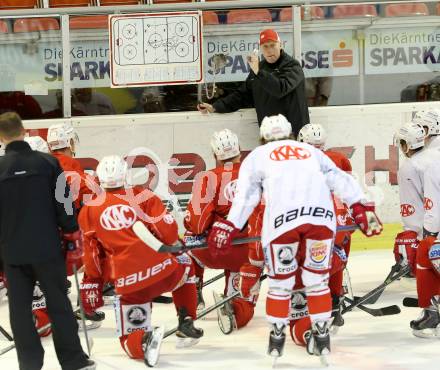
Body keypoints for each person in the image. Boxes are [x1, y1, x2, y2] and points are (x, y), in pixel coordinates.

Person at [207, 114, 382, 361]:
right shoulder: (312, 152)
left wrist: (230, 225)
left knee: (282, 282)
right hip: (322, 225)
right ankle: (319, 325)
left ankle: (277, 331)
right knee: (314, 280)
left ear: (262, 137)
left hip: (283, 228)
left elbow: (247, 199)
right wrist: (361, 207)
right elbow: (341, 180)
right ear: (290, 133)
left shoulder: (257, 157)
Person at [78, 155, 203, 363]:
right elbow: (169, 233)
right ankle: (186, 318)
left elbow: (91, 258)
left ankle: (143, 339)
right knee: (185, 262)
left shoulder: (88, 211)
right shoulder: (142, 195)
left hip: (130, 285)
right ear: (125, 175)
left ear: (99, 179)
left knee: (130, 343)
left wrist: (93, 283)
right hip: (164, 273)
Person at [0, 112, 94, 370]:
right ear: (24, 131)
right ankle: (73, 361)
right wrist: (72, 231)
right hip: (47, 247)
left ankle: (29, 364)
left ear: (1, 137)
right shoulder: (48, 163)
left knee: (19, 311)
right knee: (59, 303)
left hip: (13, 252)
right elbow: (64, 201)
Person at [183, 129, 260, 333]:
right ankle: (236, 306)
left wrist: (188, 221)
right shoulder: (257, 175)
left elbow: (198, 224)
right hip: (251, 255)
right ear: (240, 151)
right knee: (244, 292)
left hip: (216, 250)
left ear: (215, 155)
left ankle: (194, 291)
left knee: (189, 240)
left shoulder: (208, 178)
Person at [197, 29, 309, 137]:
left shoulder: (292, 66)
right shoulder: (258, 69)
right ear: (261, 49)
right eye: (265, 46)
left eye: (272, 45)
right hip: (270, 136)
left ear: (280, 45)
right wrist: (215, 107)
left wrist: (259, 72)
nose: (269, 50)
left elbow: (280, 88)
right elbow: (242, 95)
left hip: (294, 135)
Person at [297, 123, 354, 327]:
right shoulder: (339, 158)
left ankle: (307, 301)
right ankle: (335, 303)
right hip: (342, 220)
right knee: (337, 255)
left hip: (316, 221)